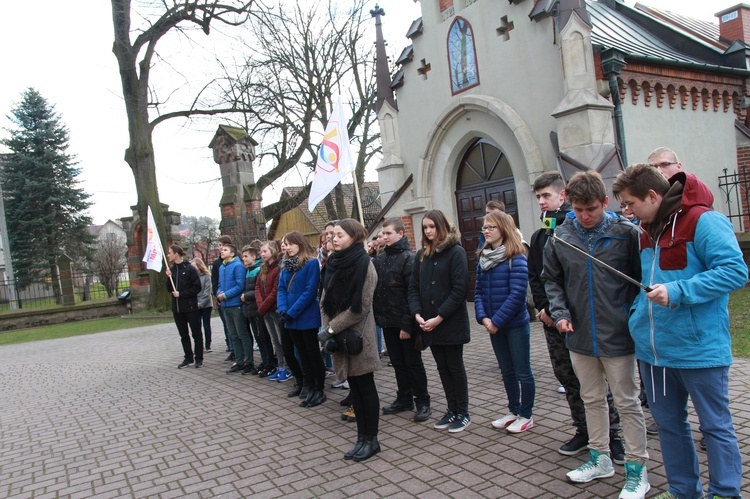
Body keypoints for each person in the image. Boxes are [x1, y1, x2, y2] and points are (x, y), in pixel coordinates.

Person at [613, 164, 747, 499]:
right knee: (671, 427)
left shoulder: (704, 221)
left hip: (699, 350)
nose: (626, 211)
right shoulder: (645, 230)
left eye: (630, 203)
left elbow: (734, 271)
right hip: (654, 353)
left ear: (653, 195)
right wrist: (637, 318)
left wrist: (678, 292)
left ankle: (725, 492)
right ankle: (684, 491)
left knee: (715, 426)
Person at [543, 171, 649, 498]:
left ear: (605, 202)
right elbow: (552, 281)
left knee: (627, 402)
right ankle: (599, 457)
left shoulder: (626, 234)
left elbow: (642, 280)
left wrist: (632, 318)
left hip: (618, 336)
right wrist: (559, 313)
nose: (585, 216)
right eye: (578, 209)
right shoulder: (560, 237)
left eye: (591, 208)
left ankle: (637, 469)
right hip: (578, 335)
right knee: (591, 398)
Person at [527, 172, 624, 459]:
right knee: (568, 378)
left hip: (584, 319)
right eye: (538, 197)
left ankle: (613, 434)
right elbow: (538, 277)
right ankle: (583, 430)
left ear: (563, 195)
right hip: (553, 321)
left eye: (546, 195)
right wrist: (544, 309)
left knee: (597, 383)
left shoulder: (574, 227)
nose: (542, 202)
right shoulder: (541, 233)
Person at [319, 218, 381, 461]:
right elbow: (324, 300)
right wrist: (327, 330)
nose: (333, 238)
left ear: (354, 237)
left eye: (340, 235)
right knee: (354, 388)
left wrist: (331, 329)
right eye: (332, 234)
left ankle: (372, 440)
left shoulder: (366, 264)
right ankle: (360, 438)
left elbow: (361, 307)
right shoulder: (332, 263)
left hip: (358, 337)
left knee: (365, 387)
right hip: (337, 336)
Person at [408, 210, 471, 433]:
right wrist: (417, 314)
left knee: (454, 367)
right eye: (425, 227)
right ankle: (451, 409)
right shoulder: (422, 255)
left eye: (432, 226)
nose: (428, 231)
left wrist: (438, 317)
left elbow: (459, 290)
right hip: (428, 323)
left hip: (450, 323)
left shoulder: (456, 252)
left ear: (442, 227)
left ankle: (463, 412)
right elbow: (414, 288)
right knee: (442, 368)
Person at [475, 210, 535, 434]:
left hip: (514, 325)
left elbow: (517, 294)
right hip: (493, 325)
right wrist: (484, 318)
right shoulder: (483, 257)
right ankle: (513, 410)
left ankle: (526, 415)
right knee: (506, 371)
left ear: (503, 229)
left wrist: (497, 321)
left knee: (522, 371)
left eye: (491, 227)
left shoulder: (516, 256)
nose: (487, 231)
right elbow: (478, 292)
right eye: (485, 227)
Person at [373, 217, 431, 423]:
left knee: (413, 363)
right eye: (383, 234)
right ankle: (404, 398)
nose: (385, 237)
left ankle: (423, 401)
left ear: (400, 234)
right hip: (387, 321)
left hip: (405, 323)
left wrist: (407, 325)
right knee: (398, 363)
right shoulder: (380, 259)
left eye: (389, 233)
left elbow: (412, 294)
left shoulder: (410, 258)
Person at [278, 231, 325, 407]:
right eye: (285, 244)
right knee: (302, 354)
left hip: (305, 315)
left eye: (291, 244)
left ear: (300, 243)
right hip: (289, 316)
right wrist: (283, 309)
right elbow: (281, 289)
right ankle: (310, 386)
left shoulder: (311, 263)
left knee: (312, 354)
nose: (288, 247)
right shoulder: (285, 265)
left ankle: (319, 389)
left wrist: (292, 311)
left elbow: (310, 291)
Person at [256, 240, 292, 382]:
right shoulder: (263, 268)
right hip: (266, 311)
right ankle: (281, 366)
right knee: (274, 340)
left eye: (265, 251)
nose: (262, 254)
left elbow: (276, 290)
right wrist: (261, 306)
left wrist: (263, 306)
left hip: (275, 309)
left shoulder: (278, 268)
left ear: (273, 251)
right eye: (261, 251)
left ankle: (288, 367)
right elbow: (257, 287)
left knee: (282, 340)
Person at [166, 245, 204, 369]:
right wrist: (168, 277)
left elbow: (197, 287)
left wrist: (181, 294)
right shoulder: (172, 270)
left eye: (170, 253)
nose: (168, 255)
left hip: (190, 307)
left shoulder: (189, 269)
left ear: (176, 254)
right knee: (183, 335)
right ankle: (188, 357)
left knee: (196, 333)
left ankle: (199, 358)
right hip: (177, 309)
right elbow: (169, 289)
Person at [216, 243, 251, 374]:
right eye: (222, 249)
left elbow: (240, 285)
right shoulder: (221, 267)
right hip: (225, 306)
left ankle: (248, 361)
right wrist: (219, 292)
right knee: (233, 335)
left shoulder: (238, 266)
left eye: (225, 250)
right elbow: (220, 284)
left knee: (242, 333)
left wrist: (225, 295)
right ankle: (239, 360)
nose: (222, 251)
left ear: (232, 254)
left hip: (236, 304)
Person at [240, 245, 268, 375]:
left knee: (262, 336)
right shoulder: (248, 270)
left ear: (253, 256)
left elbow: (259, 289)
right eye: (243, 256)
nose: (243, 259)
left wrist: (247, 296)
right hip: (249, 308)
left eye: (246, 256)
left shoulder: (258, 270)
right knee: (257, 336)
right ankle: (264, 360)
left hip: (256, 307)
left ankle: (269, 361)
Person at [212, 235, 234, 360]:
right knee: (227, 325)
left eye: (221, 246)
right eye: (219, 246)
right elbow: (215, 281)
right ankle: (231, 347)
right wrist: (218, 295)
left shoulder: (236, 260)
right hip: (222, 298)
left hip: (233, 299)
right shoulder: (217, 264)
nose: (220, 248)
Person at [192, 257, 213, 353]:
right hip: (195, 304)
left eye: (194, 266)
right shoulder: (192, 277)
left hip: (206, 304)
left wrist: (200, 303)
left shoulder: (206, 276)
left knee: (206, 325)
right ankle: (199, 345)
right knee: (197, 326)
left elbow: (207, 292)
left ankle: (208, 344)